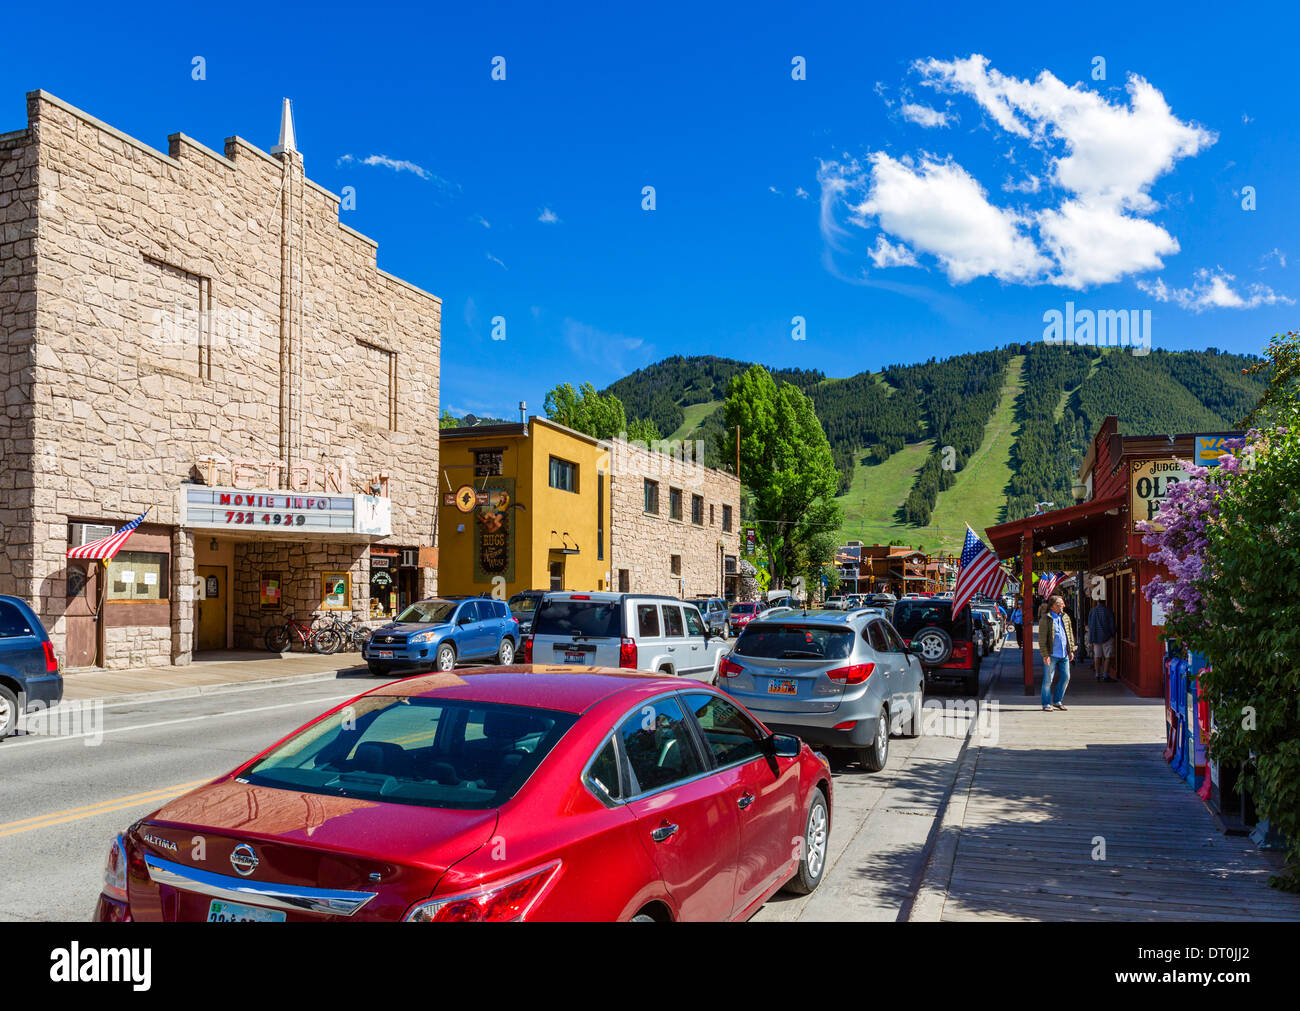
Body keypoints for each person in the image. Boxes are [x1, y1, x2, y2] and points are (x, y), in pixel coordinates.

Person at [1038, 594, 1075, 712]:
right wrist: (1045, 654)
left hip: (1064, 653)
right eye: (1060, 604)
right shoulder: (1046, 619)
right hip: (1052, 654)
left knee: (1066, 677)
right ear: (1053, 606)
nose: (1063, 606)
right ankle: (1046, 703)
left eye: (1063, 604)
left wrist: (1071, 650)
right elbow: (1042, 638)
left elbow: (1069, 634)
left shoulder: (1065, 617)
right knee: (1048, 680)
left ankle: (1058, 700)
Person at [1087, 599, 1117, 682]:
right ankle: (1105, 674)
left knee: (1097, 656)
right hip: (1107, 636)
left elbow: (1090, 625)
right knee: (1108, 656)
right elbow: (1112, 625)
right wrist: (1113, 633)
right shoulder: (1108, 611)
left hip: (1096, 637)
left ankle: (1097, 674)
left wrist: (1091, 638)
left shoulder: (1092, 611)